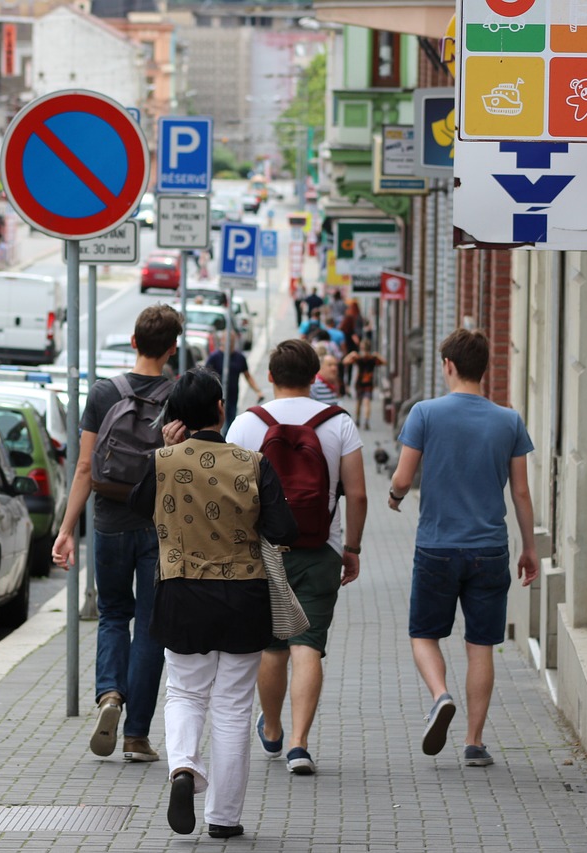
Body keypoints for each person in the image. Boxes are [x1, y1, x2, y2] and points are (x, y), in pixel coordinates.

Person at [129, 369, 298, 839]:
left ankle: (183, 768)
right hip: (243, 597)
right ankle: (223, 818)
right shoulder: (252, 462)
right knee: (232, 707)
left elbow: (139, 507)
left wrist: (161, 449)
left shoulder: (163, 461)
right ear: (222, 408)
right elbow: (285, 531)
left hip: (180, 593)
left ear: (175, 418)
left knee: (185, 692)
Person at [387, 328, 538, 767]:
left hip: (436, 546)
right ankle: (474, 742)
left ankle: (440, 695)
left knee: (424, 634)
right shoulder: (509, 421)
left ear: (448, 366)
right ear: (483, 369)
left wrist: (394, 500)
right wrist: (528, 548)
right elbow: (522, 493)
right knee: (480, 645)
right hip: (490, 549)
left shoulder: (425, 414)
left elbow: (401, 478)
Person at [226, 339, 367, 776]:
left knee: (273, 647)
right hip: (321, 548)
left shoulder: (246, 425)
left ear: (270, 377)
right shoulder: (338, 423)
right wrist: (352, 548)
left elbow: (231, 497)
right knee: (308, 645)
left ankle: (271, 729)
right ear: (314, 379)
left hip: (264, 551)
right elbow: (358, 493)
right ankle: (300, 746)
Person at [52, 304, 184, 764]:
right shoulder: (181, 395)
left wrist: (68, 530)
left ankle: (109, 694)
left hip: (108, 522)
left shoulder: (105, 393)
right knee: (151, 628)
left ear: (132, 342)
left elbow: (85, 466)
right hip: (159, 526)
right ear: (172, 348)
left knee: (112, 615)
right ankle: (136, 736)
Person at [204, 330, 264, 430]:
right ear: (222, 340)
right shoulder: (214, 357)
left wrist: (258, 391)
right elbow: (205, 377)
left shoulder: (240, 358)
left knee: (230, 424)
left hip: (232, 397)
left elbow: (248, 376)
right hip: (216, 398)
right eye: (228, 340)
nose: (230, 343)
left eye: (232, 340)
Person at [344, 343, 387, 429]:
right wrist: (377, 355)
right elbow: (385, 362)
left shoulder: (359, 358)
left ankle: (359, 420)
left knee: (359, 402)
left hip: (360, 383)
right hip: (368, 383)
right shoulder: (372, 358)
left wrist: (351, 354)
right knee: (365, 402)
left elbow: (345, 361)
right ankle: (365, 421)